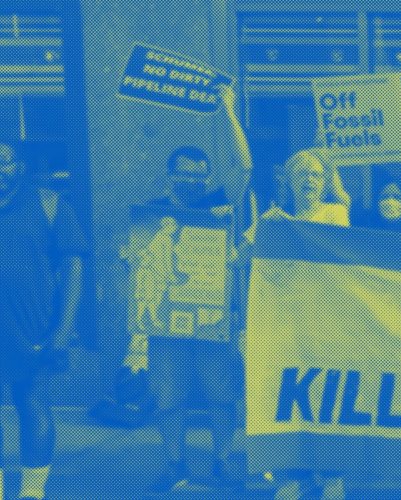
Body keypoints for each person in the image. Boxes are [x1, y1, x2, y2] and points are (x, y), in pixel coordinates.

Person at [146, 85, 253, 494]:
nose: (190, 181)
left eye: (198, 175)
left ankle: (223, 461)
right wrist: (133, 261)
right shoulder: (152, 214)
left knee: (221, 395)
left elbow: (243, 167)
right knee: (168, 397)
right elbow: (142, 264)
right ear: (169, 175)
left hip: (213, 317)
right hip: (167, 322)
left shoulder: (219, 203)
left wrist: (226, 111)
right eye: (182, 174)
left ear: (207, 177)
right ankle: (174, 464)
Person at [262, 147, 349, 500]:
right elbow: (243, 257)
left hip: (327, 319)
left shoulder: (334, 212)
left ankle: (331, 474)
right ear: (290, 183)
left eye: (315, 175)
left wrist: (288, 228)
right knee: (291, 397)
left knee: (326, 395)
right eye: (302, 176)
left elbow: (330, 246)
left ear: (325, 182)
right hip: (287, 322)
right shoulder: (274, 218)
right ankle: (297, 474)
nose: (309, 181)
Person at [0, 141, 86, 500]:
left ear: (20, 166)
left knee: (32, 401)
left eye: (5, 161)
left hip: (31, 326)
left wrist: (63, 331)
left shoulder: (49, 204)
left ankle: (32, 492)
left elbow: (73, 268)